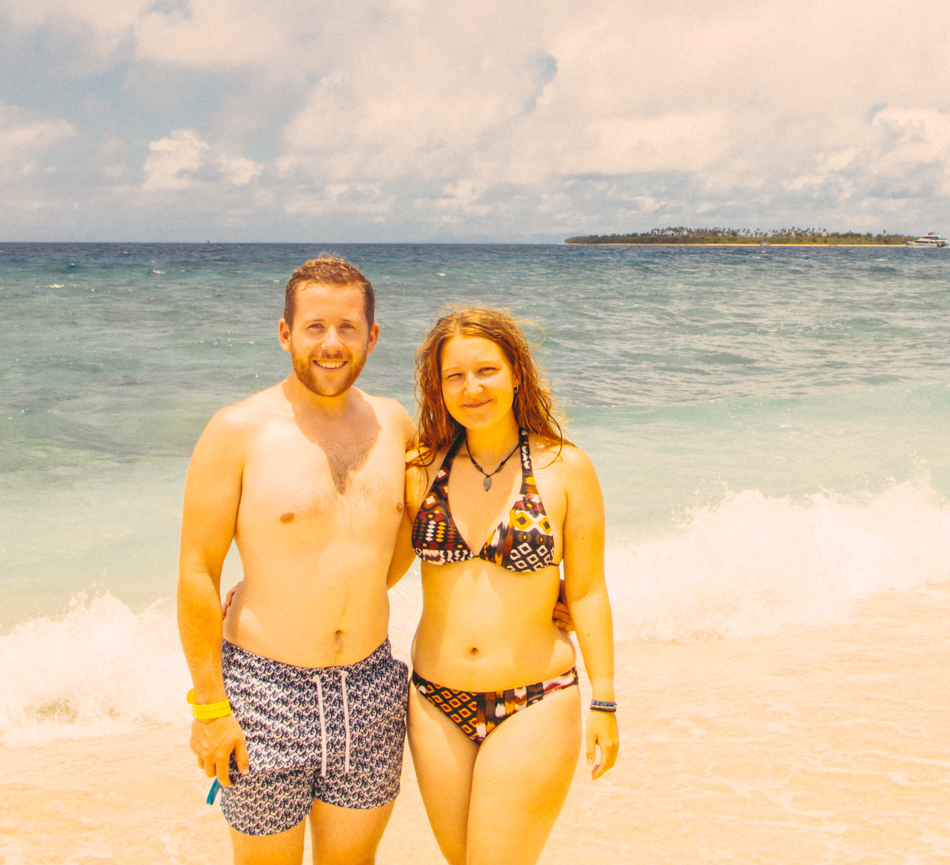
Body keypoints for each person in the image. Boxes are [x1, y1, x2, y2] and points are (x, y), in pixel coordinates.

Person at [176, 255, 415, 865]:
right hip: (263, 695)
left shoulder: (396, 425)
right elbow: (197, 572)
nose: (331, 344)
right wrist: (210, 708)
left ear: (372, 335)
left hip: (370, 688)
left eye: (347, 327)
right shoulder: (236, 431)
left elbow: (441, 523)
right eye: (314, 326)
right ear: (285, 333)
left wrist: (547, 594)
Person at [399, 308, 619, 865]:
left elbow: (589, 590)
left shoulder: (565, 469)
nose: (471, 387)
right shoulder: (420, 468)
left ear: (516, 372)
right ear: (438, 386)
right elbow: (364, 557)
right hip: (432, 701)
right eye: (454, 376)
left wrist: (606, 701)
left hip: (534, 702)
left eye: (487, 370)